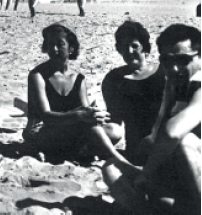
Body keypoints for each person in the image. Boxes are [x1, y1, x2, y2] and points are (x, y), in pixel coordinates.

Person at [103, 24, 200, 214]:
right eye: (167, 60)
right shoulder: (175, 83)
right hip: (176, 174)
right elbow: (156, 135)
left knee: (185, 142)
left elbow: (171, 133)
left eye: (183, 60)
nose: (174, 68)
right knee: (111, 168)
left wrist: (146, 174)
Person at [23, 21, 127, 163]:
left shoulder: (78, 79)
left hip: (69, 130)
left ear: (71, 48)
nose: (54, 49)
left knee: (114, 131)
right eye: (50, 44)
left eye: (60, 44)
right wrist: (78, 115)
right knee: (91, 131)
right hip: (42, 131)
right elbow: (46, 117)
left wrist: (93, 114)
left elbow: (86, 113)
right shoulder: (38, 76)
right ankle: (114, 158)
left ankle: (72, 151)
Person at [102, 21, 166, 164]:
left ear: (145, 46)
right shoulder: (114, 79)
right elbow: (115, 121)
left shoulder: (164, 73)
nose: (129, 51)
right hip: (137, 150)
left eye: (134, 46)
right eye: (124, 47)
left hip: (167, 142)